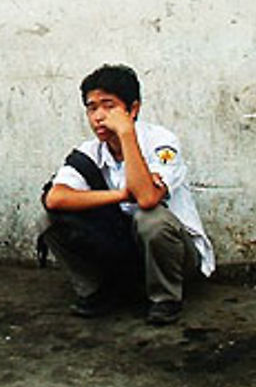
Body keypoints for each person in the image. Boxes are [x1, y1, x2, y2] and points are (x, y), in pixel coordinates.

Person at [41, 64, 215, 325]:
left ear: (133, 109)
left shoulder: (160, 142)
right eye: (92, 107)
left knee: (151, 218)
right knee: (49, 220)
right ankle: (97, 291)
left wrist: (126, 134)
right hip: (125, 248)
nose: (98, 116)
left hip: (177, 256)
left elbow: (146, 199)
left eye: (108, 106)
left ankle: (165, 298)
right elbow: (56, 198)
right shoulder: (90, 152)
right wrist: (122, 195)